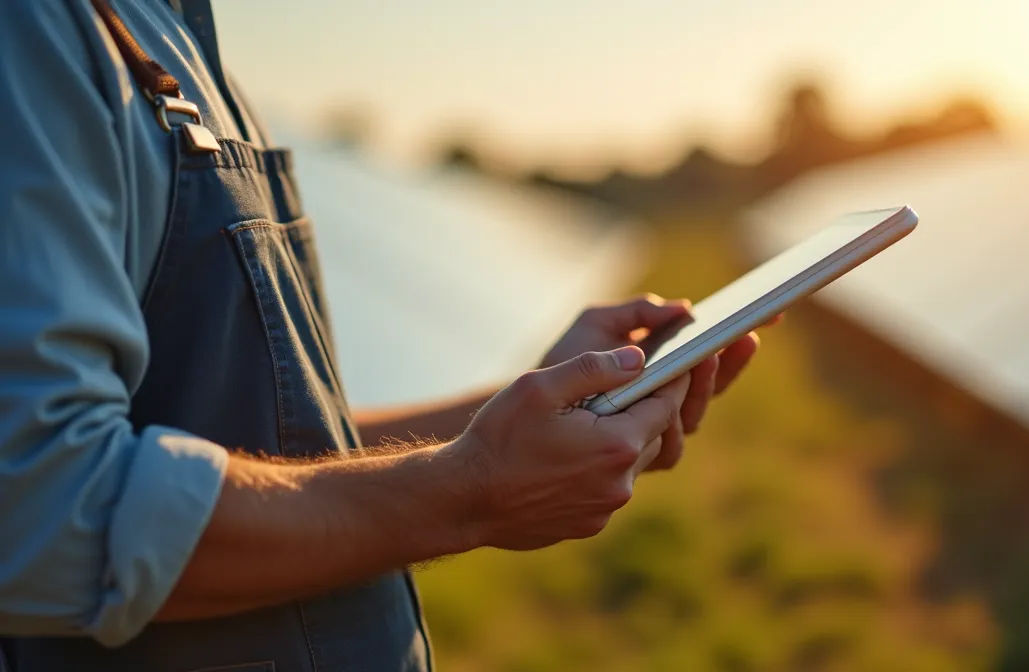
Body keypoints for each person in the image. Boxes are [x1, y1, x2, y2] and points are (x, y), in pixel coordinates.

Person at [0, 1, 763, 670]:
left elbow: (270, 451)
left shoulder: (178, 35)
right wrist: (472, 495)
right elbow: (45, 507)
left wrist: (515, 415)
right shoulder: (35, 30)